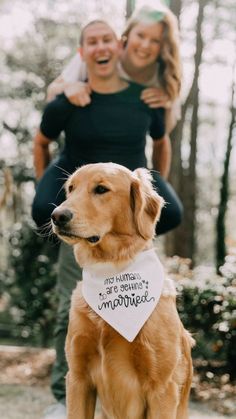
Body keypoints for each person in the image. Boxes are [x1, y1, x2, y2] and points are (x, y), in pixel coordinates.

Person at [32, 13, 182, 419]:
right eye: (90, 42)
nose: (100, 47)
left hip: (120, 197)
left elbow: (161, 140)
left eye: (107, 40)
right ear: (82, 53)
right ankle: (62, 402)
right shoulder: (70, 95)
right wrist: (45, 182)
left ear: (118, 47)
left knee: (169, 223)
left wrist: (151, 186)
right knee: (72, 301)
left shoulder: (145, 96)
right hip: (84, 206)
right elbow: (42, 140)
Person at [47, 4, 181, 134]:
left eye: (155, 40)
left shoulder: (163, 74)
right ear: (127, 34)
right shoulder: (100, 54)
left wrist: (166, 105)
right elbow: (51, 93)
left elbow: (165, 131)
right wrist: (68, 88)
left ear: (163, 46)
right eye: (140, 35)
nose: (145, 45)